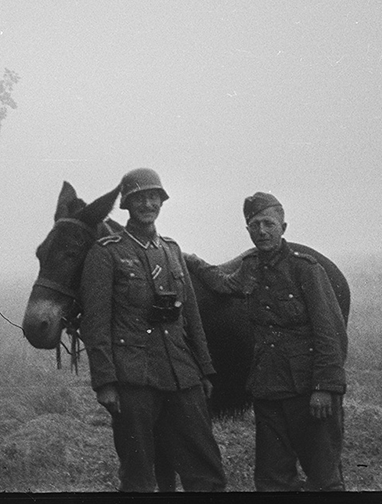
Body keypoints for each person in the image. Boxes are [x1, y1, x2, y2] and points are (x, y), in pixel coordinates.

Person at [184, 192, 348, 491]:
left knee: (323, 478)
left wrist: (325, 387)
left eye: (268, 223)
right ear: (247, 230)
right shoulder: (250, 267)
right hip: (268, 389)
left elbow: (330, 333)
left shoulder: (306, 270)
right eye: (254, 224)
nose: (261, 231)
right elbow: (222, 282)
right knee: (272, 480)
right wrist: (189, 259)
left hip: (307, 388)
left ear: (283, 227)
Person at [78, 168, 226, 492]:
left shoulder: (172, 250)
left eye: (153, 197)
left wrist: (204, 368)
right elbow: (96, 323)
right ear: (127, 205)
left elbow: (191, 316)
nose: (148, 203)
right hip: (133, 379)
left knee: (206, 468)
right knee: (139, 474)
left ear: (161, 201)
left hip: (180, 373)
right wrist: (105, 381)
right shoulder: (106, 253)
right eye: (139, 198)